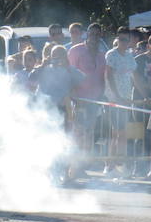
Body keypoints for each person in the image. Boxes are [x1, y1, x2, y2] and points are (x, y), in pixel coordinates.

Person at [67, 23, 107, 153]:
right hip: (78, 100)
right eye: (91, 33)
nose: (94, 36)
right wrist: (73, 96)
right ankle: (75, 160)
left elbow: (103, 77)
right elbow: (69, 73)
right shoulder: (75, 50)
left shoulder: (103, 54)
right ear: (87, 34)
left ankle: (86, 159)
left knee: (90, 130)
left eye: (97, 34)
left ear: (100, 35)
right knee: (78, 131)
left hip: (95, 100)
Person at [28, 45, 84, 130]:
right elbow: (31, 77)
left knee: (62, 134)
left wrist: (68, 67)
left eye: (60, 55)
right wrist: (42, 65)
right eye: (54, 55)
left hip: (62, 107)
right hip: (44, 107)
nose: (56, 57)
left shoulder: (68, 69)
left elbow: (81, 78)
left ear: (65, 56)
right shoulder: (44, 68)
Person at [104, 27, 136, 172]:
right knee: (117, 132)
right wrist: (116, 95)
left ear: (129, 41)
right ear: (117, 39)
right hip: (113, 99)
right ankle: (110, 165)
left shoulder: (130, 56)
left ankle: (117, 164)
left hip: (126, 99)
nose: (123, 42)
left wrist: (144, 93)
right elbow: (109, 75)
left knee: (121, 133)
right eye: (121, 39)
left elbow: (134, 76)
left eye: (126, 40)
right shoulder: (111, 54)